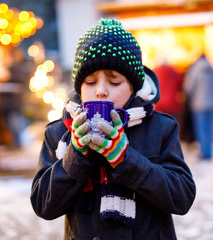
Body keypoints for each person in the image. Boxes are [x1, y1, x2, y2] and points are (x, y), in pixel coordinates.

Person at [30, 19, 196, 240]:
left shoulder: (160, 128)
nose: (100, 91)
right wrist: (76, 157)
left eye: (114, 82)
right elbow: (43, 205)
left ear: (133, 86)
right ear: (79, 87)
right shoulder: (59, 132)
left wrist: (126, 160)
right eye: (90, 82)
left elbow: (182, 197)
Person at [183, 54, 213, 160]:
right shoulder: (211, 69)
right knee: (209, 128)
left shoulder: (195, 70)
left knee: (200, 128)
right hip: (211, 104)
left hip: (198, 104)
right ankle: (208, 151)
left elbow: (188, 87)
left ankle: (204, 152)